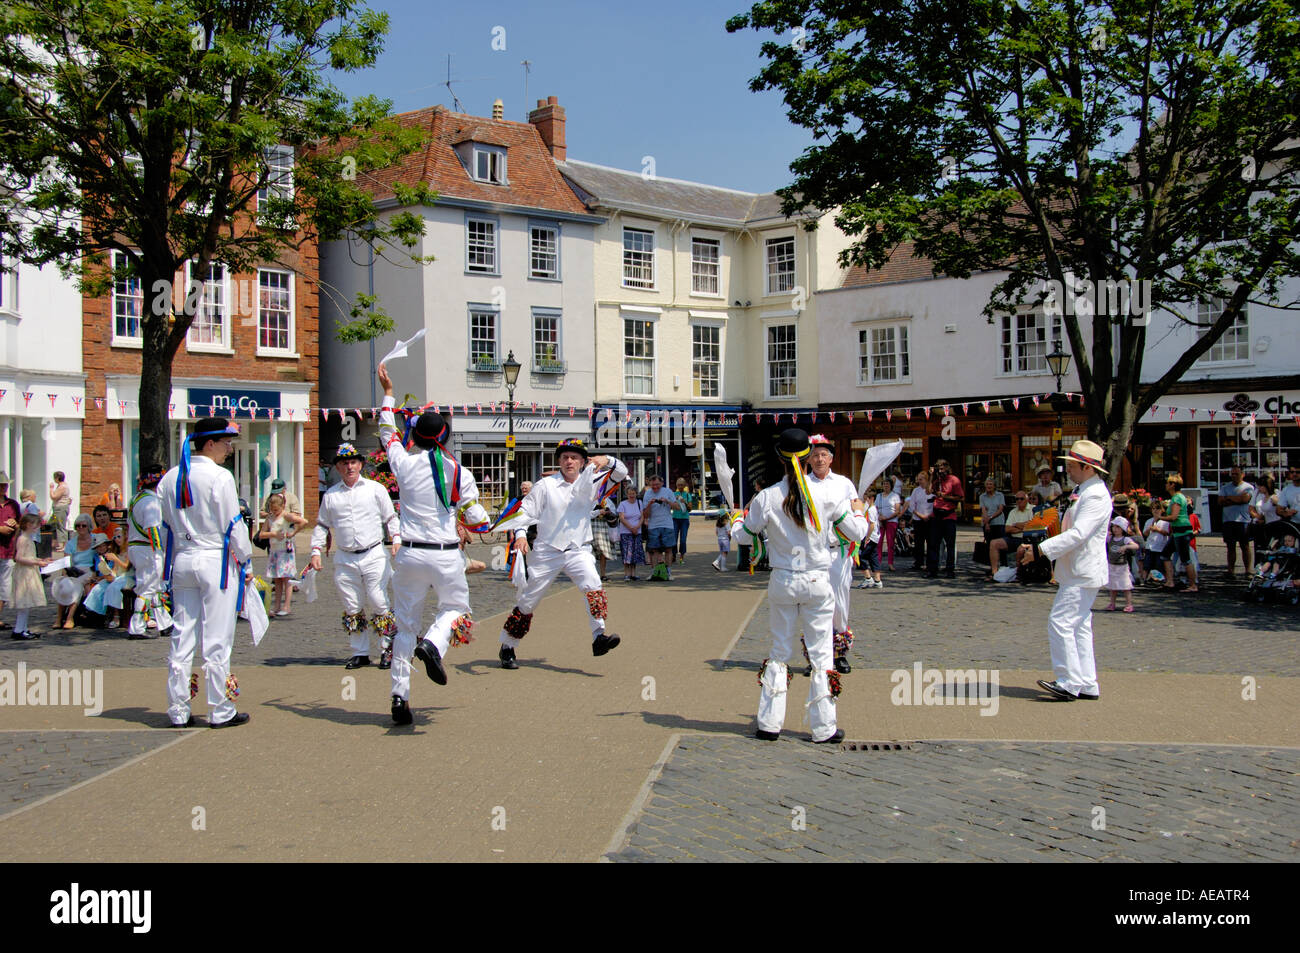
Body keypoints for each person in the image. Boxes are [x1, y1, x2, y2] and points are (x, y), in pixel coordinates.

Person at [733, 429, 868, 743]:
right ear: (809, 457)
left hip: (783, 579)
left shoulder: (767, 496)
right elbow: (857, 532)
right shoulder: (829, 495)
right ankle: (824, 728)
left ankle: (769, 724)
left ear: (780, 458)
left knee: (779, 650)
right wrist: (859, 508)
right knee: (822, 655)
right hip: (818, 579)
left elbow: (743, 535)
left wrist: (737, 520)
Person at [377, 363, 490, 725]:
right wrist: (488, 522)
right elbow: (475, 518)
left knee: (405, 624)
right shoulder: (460, 471)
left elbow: (386, 432)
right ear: (443, 437)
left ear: (418, 437)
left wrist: (388, 392)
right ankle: (435, 644)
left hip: (408, 553)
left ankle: (399, 697)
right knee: (457, 609)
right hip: (443, 554)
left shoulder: (403, 463)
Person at [497, 437, 628, 670]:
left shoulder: (594, 481)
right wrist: (520, 535)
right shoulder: (545, 486)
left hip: (578, 549)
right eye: (565, 457)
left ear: (582, 462)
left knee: (593, 585)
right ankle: (508, 645)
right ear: (559, 460)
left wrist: (606, 459)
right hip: (548, 551)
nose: (569, 461)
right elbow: (525, 513)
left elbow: (622, 473)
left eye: (574, 457)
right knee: (529, 600)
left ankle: (599, 637)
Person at [158, 417, 254, 729]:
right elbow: (233, 525)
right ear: (209, 443)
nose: (229, 448)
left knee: (182, 634)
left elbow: (165, 525)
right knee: (217, 637)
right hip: (214, 559)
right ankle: (221, 709)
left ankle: (178, 709)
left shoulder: (170, 478)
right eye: (226, 442)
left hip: (183, 558)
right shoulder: (220, 477)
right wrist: (246, 561)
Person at [1018, 440, 1111, 701]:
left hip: (1082, 571)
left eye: (1072, 466)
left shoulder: (1094, 495)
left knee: (1060, 622)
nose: (1067, 470)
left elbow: (1079, 534)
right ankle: (1086, 682)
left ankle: (1068, 681)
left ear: (1087, 467)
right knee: (1079, 625)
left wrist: (1040, 550)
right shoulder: (1086, 490)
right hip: (1080, 569)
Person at [308, 442, 401, 671]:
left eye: (353, 462)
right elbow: (321, 525)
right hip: (345, 556)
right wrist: (315, 550)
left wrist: (396, 539)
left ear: (360, 464)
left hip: (373, 553)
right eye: (344, 463)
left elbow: (391, 517)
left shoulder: (375, 489)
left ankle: (387, 649)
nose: (349, 467)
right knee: (352, 605)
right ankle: (360, 652)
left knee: (379, 600)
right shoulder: (331, 495)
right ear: (338, 467)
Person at [807, 434, 862, 673]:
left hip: (837, 551)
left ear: (831, 459)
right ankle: (815, 657)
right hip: (810, 553)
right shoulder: (802, 484)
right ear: (808, 460)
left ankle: (839, 653)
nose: (819, 459)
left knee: (839, 603)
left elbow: (856, 510)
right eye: (815, 455)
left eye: (824, 455)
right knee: (813, 604)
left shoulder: (844, 484)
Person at [126, 465, 172, 638]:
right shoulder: (151, 502)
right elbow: (153, 530)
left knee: (154, 587)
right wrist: (159, 552)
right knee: (147, 588)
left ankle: (164, 622)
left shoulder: (136, 498)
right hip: (147, 548)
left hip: (136, 547)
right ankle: (136, 627)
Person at [260, 492, 305, 616]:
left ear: (282, 506)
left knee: (286, 578)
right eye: (272, 509)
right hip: (274, 551)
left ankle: (287, 606)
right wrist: (273, 534)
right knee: (277, 579)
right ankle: (276, 606)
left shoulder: (286, 516)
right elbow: (262, 534)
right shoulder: (270, 518)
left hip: (285, 551)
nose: (274, 512)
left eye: (276, 510)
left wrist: (293, 532)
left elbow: (303, 522)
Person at [9, 514, 50, 639]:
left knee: (27, 603)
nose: (38, 527)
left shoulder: (28, 538)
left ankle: (23, 628)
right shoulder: (23, 539)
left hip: (29, 572)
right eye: (36, 525)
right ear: (28, 525)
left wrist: (41, 560)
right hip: (24, 573)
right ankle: (18, 630)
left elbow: (29, 556)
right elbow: (19, 558)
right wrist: (37, 562)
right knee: (24, 603)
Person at [1159, 473, 1199, 594]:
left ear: (1172, 485)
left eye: (1168, 483)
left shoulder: (1177, 498)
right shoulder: (1177, 497)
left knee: (1185, 559)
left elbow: (1174, 517)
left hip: (1182, 531)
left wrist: (1160, 517)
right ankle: (1170, 581)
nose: (1166, 485)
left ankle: (1192, 585)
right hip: (1177, 531)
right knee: (1165, 554)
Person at [57, 514, 96, 629]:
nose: (80, 528)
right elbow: (66, 562)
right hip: (74, 571)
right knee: (64, 585)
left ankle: (69, 618)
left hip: (90, 570)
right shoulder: (71, 543)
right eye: (78, 526)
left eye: (83, 525)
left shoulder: (95, 539)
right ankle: (59, 618)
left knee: (75, 585)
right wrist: (65, 574)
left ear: (89, 527)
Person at [641, 473, 682, 580]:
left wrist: (667, 501)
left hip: (667, 524)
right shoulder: (647, 494)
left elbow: (677, 507)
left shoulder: (668, 491)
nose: (655, 487)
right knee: (654, 550)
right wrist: (650, 504)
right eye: (653, 485)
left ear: (662, 483)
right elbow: (645, 514)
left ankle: (668, 573)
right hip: (653, 525)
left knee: (668, 549)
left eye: (657, 485)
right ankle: (654, 572)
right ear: (650, 484)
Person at [926, 459, 963, 578]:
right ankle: (933, 570)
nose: (940, 471)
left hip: (949, 515)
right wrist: (932, 476)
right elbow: (928, 490)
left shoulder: (954, 480)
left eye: (942, 469)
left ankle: (950, 570)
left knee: (950, 545)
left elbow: (961, 498)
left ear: (947, 468)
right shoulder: (937, 480)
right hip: (936, 515)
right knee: (933, 544)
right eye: (938, 469)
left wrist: (945, 496)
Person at [988, 492, 1035, 579]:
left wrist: (1016, 524)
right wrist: (1023, 527)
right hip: (1014, 538)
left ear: (1027, 499)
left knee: (1020, 549)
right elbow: (1007, 529)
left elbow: (1032, 526)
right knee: (994, 543)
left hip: (1027, 539)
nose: (1019, 501)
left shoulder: (1033, 509)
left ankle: (1019, 574)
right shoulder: (1013, 511)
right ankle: (994, 572)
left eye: (1021, 499)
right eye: (1017, 499)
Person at [1218, 465, 1254, 578]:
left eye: (1236, 474)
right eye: (1232, 474)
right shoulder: (1225, 487)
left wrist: (1229, 498)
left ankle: (1248, 570)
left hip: (1243, 520)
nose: (1234, 476)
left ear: (1242, 475)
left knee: (1245, 546)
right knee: (1230, 547)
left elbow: (1245, 499)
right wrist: (1237, 499)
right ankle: (1230, 571)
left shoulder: (1248, 487)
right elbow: (1220, 501)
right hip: (1228, 520)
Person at [1103, 516, 1140, 612]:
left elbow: (1136, 546)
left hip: (1122, 566)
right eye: (1114, 526)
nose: (1115, 529)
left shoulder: (1125, 539)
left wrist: (1126, 547)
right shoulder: (1110, 538)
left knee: (1125, 586)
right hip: (1112, 565)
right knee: (1112, 586)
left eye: (1118, 527)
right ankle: (1112, 603)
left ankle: (1129, 604)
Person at [0, 473, 19, 629]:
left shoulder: (12, 504)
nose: (3, 488)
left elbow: (20, 525)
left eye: (5, 485)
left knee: (5, 586)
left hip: (8, 550)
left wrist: (15, 524)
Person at [617, 485, 646, 581]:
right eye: (629, 494)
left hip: (637, 532)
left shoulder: (639, 503)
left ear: (636, 494)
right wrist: (631, 528)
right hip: (626, 532)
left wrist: (637, 527)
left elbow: (642, 516)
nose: (631, 495)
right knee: (626, 553)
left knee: (635, 552)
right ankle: (627, 574)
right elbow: (622, 518)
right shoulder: (622, 504)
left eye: (633, 493)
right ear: (627, 494)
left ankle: (633, 574)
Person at [904, 471, 932, 570]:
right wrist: (920, 515)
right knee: (919, 542)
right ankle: (918, 562)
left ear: (926, 479)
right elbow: (912, 505)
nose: (919, 481)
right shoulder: (916, 491)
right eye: (918, 479)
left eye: (921, 479)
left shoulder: (931, 490)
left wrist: (928, 516)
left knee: (931, 542)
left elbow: (934, 504)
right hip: (918, 519)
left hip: (930, 519)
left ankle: (930, 563)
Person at [854, 487, 882, 590]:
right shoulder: (870, 508)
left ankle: (868, 578)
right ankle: (878, 580)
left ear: (872, 498)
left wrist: (867, 537)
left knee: (860, 557)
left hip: (871, 537)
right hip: (875, 537)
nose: (866, 500)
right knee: (873, 557)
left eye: (867, 498)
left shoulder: (871, 510)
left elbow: (872, 525)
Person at [1138, 499, 1171, 585]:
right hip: (1150, 546)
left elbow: (1167, 533)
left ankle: (1165, 579)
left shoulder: (1165, 521)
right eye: (1153, 508)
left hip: (1160, 547)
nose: (1155, 510)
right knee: (1147, 564)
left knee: (1160, 565)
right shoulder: (1149, 521)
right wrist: (1149, 529)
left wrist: (1158, 530)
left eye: (1157, 508)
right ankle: (1144, 578)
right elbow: (1145, 533)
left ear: (1162, 510)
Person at [1249, 474, 1282, 553]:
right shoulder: (1263, 498)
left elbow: (1282, 509)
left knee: (1272, 549)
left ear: (1266, 486)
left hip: (1275, 526)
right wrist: (1259, 517)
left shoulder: (1273, 497)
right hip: (1266, 526)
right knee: (1262, 550)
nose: (1259, 488)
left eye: (1260, 486)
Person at [876, 476, 902, 571]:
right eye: (884, 484)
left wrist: (887, 518)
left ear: (891, 486)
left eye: (887, 484)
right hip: (881, 521)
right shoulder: (878, 496)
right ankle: (877, 562)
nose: (886, 486)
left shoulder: (895, 496)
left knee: (890, 543)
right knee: (879, 542)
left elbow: (897, 511)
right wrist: (879, 518)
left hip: (891, 521)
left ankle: (890, 563)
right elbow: (876, 508)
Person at [589, 499, 618, 582]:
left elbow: (614, 513)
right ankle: (592, 575)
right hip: (591, 525)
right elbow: (586, 514)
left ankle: (603, 574)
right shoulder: (590, 499)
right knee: (591, 552)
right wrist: (598, 512)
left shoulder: (607, 500)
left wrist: (608, 512)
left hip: (604, 526)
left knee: (603, 551)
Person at [671, 477, 695, 564]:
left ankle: (682, 556)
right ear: (676, 485)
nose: (680, 486)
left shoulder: (687, 495)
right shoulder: (673, 494)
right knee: (674, 538)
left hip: (684, 520)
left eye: (681, 485)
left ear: (684, 485)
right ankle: (673, 555)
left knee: (683, 539)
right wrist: (675, 503)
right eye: (678, 485)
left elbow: (690, 509)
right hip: (675, 519)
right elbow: (670, 506)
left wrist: (684, 502)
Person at [48, 471, 71, 553]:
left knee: (60, 526)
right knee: (52, 524)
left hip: (60, 509)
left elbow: (54, 497)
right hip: (58, 509)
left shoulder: (62, 487)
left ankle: (63, 545)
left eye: (55, 477)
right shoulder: (62, 486)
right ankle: (57, 543)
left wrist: (51, 489)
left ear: (57, 478)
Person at [979, 478, 1006, 544]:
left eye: (990, 484)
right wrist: (987, 523)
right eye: (987, 484)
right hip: (987, 523)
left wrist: (990, 518)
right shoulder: (982, 496)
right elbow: (984, 510)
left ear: (994, 486)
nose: (989, 486)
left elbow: (1000, 509)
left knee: (999, 543)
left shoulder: (1000, 495)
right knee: (989, 543)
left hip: (998, 523)